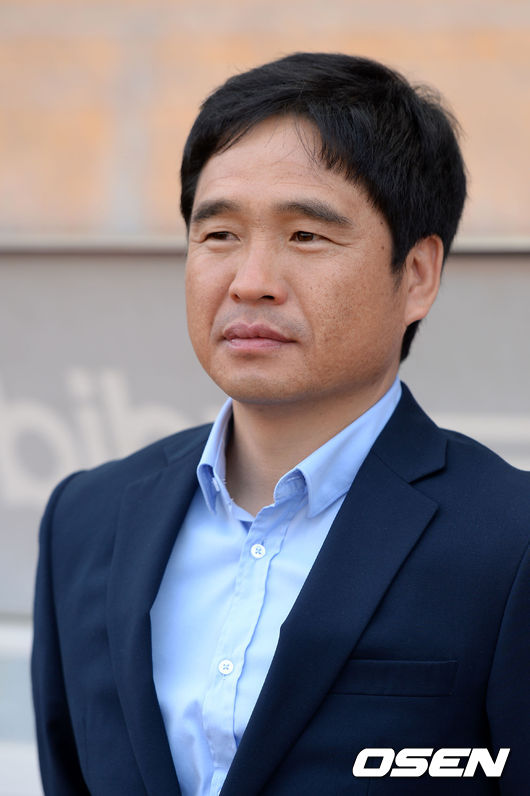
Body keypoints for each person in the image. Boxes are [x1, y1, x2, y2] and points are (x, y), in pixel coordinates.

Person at [32, 53, 529, 795]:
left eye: (305, 236)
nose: (251, 281)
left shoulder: (511, 541)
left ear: (417, 275)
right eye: (219, 234)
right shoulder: (87, 519)